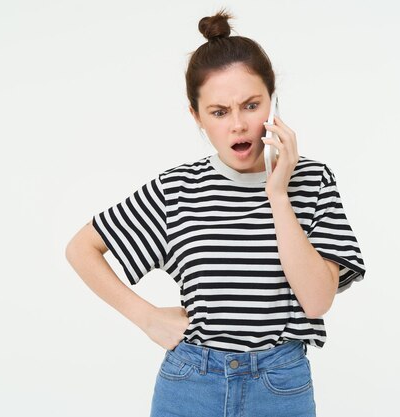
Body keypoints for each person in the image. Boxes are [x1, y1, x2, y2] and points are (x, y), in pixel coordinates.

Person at [65, 8, 367, 417]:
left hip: (280, 387)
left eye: (251, 105)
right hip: (190, 385)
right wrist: (147, 317)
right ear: (197, 117)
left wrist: (278, 194)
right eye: (219, 112)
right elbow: (81, 248)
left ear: (273, 102)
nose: (238, 124)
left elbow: (316, 302)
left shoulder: (311, 181)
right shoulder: (178, 189)